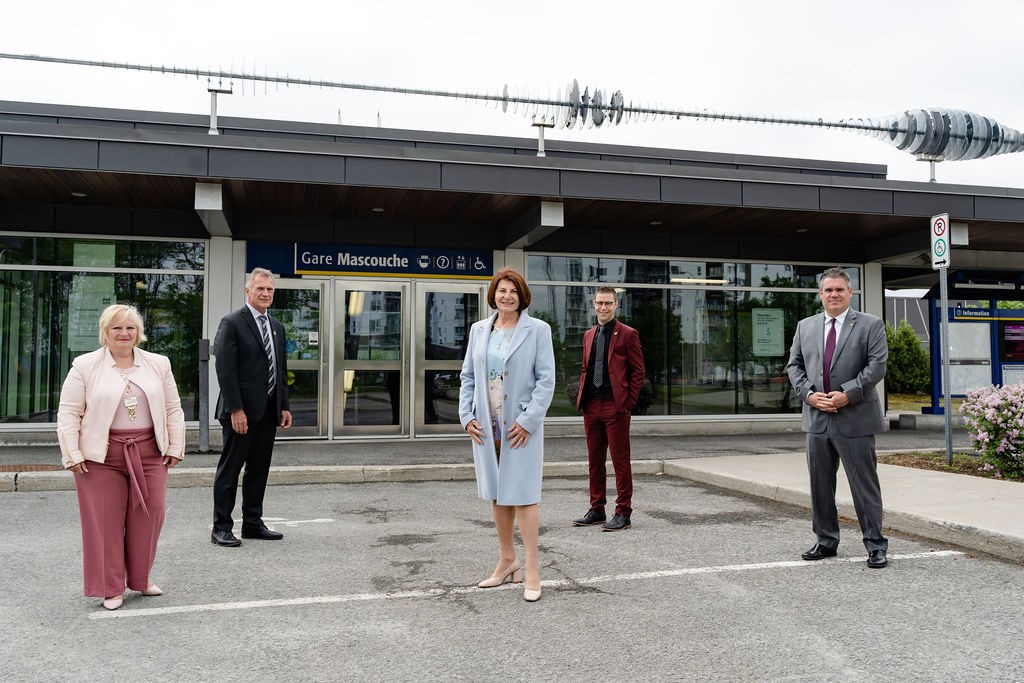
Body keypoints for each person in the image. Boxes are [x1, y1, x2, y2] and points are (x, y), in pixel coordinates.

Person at [57, 304, 184, 610]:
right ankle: (110, 588)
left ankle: (140, 579)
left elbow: (173, 409)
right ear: (105, 332)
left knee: (150, 515)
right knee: (105, 523)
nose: (124, 333)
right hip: (100, 456)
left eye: (130, 328)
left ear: (138, 333)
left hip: (150, 452)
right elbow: (69, 412)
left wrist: (175, 446)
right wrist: (72, 453)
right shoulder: (85, 366)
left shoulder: (159, 364)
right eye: (116, 328)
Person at [459, 267, 555, 602]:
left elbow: (546, 380)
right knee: (498, 494)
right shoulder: (479, 330)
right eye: (502, 290)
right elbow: (468, 377)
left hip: (520, 427)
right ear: (494, 295)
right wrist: (466, 416)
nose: (507, 296)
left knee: (524, 495)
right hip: (488, 426)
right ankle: (507, 560)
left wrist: (529, 421)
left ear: (522, 296)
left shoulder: (538, 330)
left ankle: (532, 569)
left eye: (513, 291)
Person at [785, 266, 889, 568]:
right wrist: (808, 394)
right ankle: (826, 540)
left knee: (864, 485)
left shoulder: (870, 325)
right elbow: (794, 366)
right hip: (817, 418)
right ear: (820, 294)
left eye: (839, 289)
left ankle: (875, 544)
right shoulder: (805, 326)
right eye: (828, 290)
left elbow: (877, 366)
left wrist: (848, 393)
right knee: (820, 484)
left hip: (855, 417)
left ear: (850, 292)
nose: (834, 294)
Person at [211, 267, 293, 547]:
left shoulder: (277, 327)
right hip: (241, 412)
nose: (265, 293)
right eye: (260, 288)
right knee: (230, 471)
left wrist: (283, 406)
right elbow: (225, 369)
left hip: (268, 411)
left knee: (259, 469)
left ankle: (253, 523)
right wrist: (236, 409)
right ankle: (221, 528)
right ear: (248, 291)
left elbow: (280, 370)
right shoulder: (232, 322)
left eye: (269, 289)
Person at [573, 286, 646, 531]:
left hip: (616, 407)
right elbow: (586, 368)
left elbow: (638, 371)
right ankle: (597, 509)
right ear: (594, 304)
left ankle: (623, 512)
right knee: (594, 461)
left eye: (607, 303)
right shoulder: (589, 335)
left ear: (616, 305)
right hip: (591, 406)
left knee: (620, 461)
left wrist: (627, 402)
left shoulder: (628, 334)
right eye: (599, 303)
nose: (603, 307)